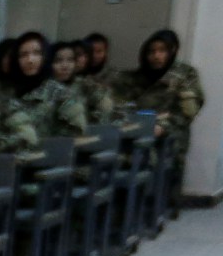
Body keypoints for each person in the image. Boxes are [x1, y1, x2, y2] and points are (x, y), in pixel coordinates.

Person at [117, 28, 206, 167]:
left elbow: (187, 111)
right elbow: (123, 105)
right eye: (151, 51)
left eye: (162, 51)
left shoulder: (185, 74)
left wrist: (162, 126)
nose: (156, 56)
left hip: (169, 142)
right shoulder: (136, 77)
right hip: (135, 137)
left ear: (173, 50)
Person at [7, 31, 88, 137]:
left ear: (45, 57)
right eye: (23, 55)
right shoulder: (9, 93)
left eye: (36, 53)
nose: (30, 60)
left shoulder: (62, 94)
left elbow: (77, 134)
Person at [77, 31, 121, 125]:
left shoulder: (114, 76)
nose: (94, 55)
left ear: (106, 53)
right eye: (91, 51)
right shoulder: (76, 74)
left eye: (99, 51)